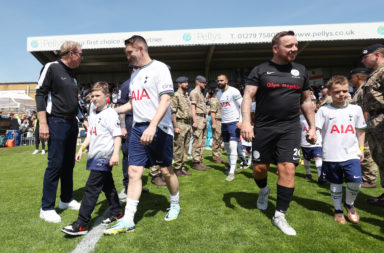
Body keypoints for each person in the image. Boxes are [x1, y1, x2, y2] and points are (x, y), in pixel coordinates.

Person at [241, 31, 316, 235]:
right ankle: (264, 190)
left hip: (290, 128)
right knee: (259, 169)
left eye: (296, 45)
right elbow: (247, 97)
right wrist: (246, 122)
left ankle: (279, 215)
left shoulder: (301, 71)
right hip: (264, 128)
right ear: (276, 48)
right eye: (289, 45)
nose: (294, 49)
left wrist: (312, 126)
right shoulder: (260, 70)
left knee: (288, 168)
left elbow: (307, 101)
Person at [104, 35, 180, 235]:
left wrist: (153, 126)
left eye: (129, 52)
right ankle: (128, 219)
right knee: (134, 172)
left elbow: (165, 100)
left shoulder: (160, 68)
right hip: (138, 128)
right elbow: (133, 104)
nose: (127, 57)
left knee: (166, 171)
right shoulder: (135, 76)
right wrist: (113, 110)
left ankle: (175, 203)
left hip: (159, 129)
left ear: (140, 48)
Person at [61, 82, 122, 236]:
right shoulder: (93, 112)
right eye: (92, 96)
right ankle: (116, 211)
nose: (94, 99)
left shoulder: (111, 113)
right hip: (94, 155)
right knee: (108, 185)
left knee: (91, 188)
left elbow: (117, 135)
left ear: (107, 97)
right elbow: (90, 134)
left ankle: (81, 223)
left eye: (97, 96)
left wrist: (115, 154)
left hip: (104, 155)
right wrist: (81, 149)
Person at [35, 41, 83, 223]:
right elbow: (40, 94)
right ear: (71, 53)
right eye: (80, 54)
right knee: (55, 164)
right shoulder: (51, 67)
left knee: (68, 164)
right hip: (55, 122)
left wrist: (83, 119)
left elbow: (73, 101)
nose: (82, 58)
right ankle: (46, 207)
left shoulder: (72, 74)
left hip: (71, 123)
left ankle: (66, 199)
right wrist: (43, 124)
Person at [316, 75, 366, 224]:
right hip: (331, 155)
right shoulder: (324, 111)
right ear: (330, 93)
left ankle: (349, 204)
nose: (341, 94)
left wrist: (361, 149)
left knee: (356, 182)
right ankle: (338, 210)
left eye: (344, 91)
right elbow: (316, 130)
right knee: (336, 184)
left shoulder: (356, 109)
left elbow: (361, 130)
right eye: (337, 92)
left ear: (348, 90)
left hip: (352, 153)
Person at [361, 44, 384, 206]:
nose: (362, 60)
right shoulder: (374, 74)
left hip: (382, 118)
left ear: (377, 55)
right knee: (380, 158)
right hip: (375, 120)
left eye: (365, 56)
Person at [350, 67, 378, 188]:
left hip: (363, 125)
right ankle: (365, 176)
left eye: (352, 78)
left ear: (357, 77)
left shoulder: (363, 90)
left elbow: (365, 109)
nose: (351, 81)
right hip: (359, 125)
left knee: (366, 152)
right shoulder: (359, 89)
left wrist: (364, 126)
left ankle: (370, 179)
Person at [216, 74, 243, 181]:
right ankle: (233, 166)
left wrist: (241, 120)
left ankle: (231, 172)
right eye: (218, 81)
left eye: (221, 80)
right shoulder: (218, 94)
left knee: (232, 146)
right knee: (226, 147)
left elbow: (242, 105)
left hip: (234, 122)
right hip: (224, 123)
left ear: (226, 81)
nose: (219, 82)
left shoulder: (234, 91)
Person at [171, 76, 193, 176]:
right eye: (184, 82)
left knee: (186, 147)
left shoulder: (185, 96)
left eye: (187, 82)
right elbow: (173, 112)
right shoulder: (176, 95)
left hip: (187, 124)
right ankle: (176, 168)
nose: (187, 84)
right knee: (178, 148)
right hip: (179, 123)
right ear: (179, 84)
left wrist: (191, 125)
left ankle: (182, 167)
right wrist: (175, 126)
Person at [190, 75, 209, 171]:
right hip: (198, 118)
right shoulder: (194, 93)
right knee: (197, 141)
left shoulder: (201, 93)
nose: (205, 84)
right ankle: (195, 162)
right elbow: (192, 108)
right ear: (198, 82)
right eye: (203, 82)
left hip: (203, 118)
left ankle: (199, 161)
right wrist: (194, 121)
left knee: (202, 141)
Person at [300, 107, 323, 181]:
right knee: (306, 159)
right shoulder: (300, 117)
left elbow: (322, 128)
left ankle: (320, 176)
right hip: (305, 143)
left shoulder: (318, 116)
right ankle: (308, 173)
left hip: (317, 142)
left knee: (318, 158)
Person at [209, 88, 224, 163]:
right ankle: (215, 157)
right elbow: (212, 113)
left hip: (221, 121)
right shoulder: (214, 100)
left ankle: (218, 156)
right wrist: (213, 123)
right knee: (216, 139)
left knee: (220, 140)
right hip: (217, 121)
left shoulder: (219, 100)